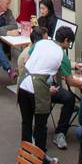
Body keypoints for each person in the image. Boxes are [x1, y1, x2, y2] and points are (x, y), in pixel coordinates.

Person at [17, 27, 64, 156]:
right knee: (40, 125)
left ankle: (26, 153)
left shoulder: (39, 45)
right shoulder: (60, 52)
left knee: (26, 122)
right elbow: (59, 74)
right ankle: (40, 157)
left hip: (23, 83)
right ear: (66, 41)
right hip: (37, 89)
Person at [49, 24, 82, 149]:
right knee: (69, 98)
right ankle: (60, 133)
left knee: (67, 96)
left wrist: (75, 65)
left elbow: (61, 63)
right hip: (45, 88)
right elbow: (71, 81)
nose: (69, 46)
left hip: (29, 84)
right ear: (66, 40)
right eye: (69, 43)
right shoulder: (61, 53)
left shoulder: (48, 44)